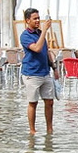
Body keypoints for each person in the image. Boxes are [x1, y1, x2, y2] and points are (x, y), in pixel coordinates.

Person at [20, 7, 60, 135]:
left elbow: (46, 51)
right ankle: (32, 129)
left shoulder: (39, 33)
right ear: (27, 20)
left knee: (49, 101)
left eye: (38, 18)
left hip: (45, 72)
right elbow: (36, 48)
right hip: (31, 74)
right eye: (35, 18)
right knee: (33, 102)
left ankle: (49, 128)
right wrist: (45, 32)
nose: (38, 21)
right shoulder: (25, 36)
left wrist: (54, 67)